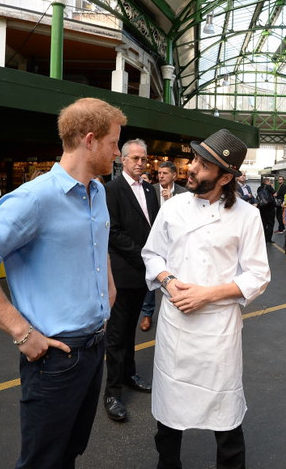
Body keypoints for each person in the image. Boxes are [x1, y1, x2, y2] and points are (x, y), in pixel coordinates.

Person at [0, 97, 125, 469]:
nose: (118, 152)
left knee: (70, 451)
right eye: (114, 142)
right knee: (41, 461)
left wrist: (108, 291)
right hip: (55, 357)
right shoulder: (34, 198)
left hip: (94, 346)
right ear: (89, 140)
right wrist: (23, 334)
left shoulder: (97, 193)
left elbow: (99, 244)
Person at [141, 128, 270, 469]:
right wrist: (168, 281)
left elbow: (258, 275)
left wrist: (206, 295)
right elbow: (152, 255)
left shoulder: (247, 216)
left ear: (226, 177)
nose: (192, 168)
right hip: (176, 327)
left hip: (218, 332)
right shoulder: (173, 208)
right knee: (169, 415)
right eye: (195, 159)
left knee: (225, 417)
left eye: (204, 164)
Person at [104, 139, 159, 422]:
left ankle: (129, 374)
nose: (140, 162)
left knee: (130, 332)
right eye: (134, 158)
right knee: (116, 335)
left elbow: (154, 227)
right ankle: (112, 392)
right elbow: (112, 231)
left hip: (142, 275)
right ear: (123, 160)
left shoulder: (151, 190)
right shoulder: (111, 190)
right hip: (123, 273)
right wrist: (145, 256)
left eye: (143, 158)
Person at [141, 161, 187, 332]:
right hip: (154, 241)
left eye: (165, 173)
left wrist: (170, 201)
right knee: (153, 273)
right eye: (159, 173)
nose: (161, 176)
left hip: (176, 244)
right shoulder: (150, 190)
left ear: (174, 175)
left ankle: (177, 310)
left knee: (175, 278)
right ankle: (147, 313)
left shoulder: (184, 194)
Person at [257, 177, 276, 243]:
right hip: (270, 208)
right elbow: (275, 194)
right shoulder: (269, 187)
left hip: (262, 208)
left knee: (263, 223)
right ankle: (269, 238)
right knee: (270, 224)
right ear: (267, 182)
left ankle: (263, 238)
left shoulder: (259, 188)